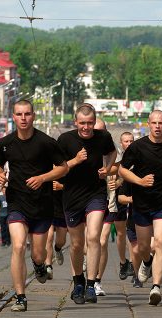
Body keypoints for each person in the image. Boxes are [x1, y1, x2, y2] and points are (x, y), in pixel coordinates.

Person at [0, 100, 68, 312]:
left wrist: (43, 178)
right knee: (17, 246)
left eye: (27, 114)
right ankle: (20, 297)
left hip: (42, 203)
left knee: (37, 254)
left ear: (33, 116)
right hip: (16, 200)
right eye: (19, 114)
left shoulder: (46, 142)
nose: (23, 118)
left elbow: (63, 168)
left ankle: (39, 265)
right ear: (13, 117)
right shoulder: (5, 143)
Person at [119, 110, 162, 305]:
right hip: (142, 203)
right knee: (143, 247)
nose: (157, 126)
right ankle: (146, 262)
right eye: (154, 123)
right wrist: (139, 181)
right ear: (148, 124)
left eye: (161, 123)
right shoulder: (138, 147)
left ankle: (156, 287)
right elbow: (122, 169)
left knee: (161, 242)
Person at [57, 104, 116, 304]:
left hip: (96, 193)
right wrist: (75, 160)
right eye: (82, 123)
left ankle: (91, 284)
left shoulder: (103, 137)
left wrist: (107, 168)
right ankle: (78, 281)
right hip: (72, 196)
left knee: (93, 237)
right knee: (76, 244)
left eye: (90, 123)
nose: (86, 127)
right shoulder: (65, 140)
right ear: (76, 122)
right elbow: (58, 168)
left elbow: (113, 153)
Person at [115, 132, 135, 280]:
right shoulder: (117, 158)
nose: (129, 143)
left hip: (133, 198)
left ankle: (134, 263)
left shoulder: (138, 154)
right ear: (121, 143)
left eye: (131, 141)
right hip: (119, 197)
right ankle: (123, 262)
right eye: (126, 141)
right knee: (121, 232)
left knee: (132, 232)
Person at [43, 181, 68, 280]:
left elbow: (74, 185)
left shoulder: (66, 166)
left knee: (61, 241)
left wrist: (62, 186)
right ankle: (48, 266)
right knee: (49, 237)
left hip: (62, 207)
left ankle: (57, 248)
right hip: (48, 207)